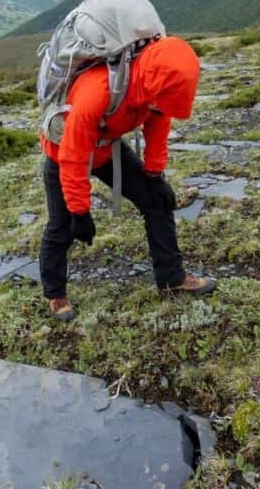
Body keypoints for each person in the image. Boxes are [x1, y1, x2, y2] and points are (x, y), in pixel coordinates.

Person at [39, 35, 216, 321]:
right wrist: (80, 211)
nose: (160, 109)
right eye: (161, 103)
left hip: (108, 149)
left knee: (157, 202)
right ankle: (55, 294)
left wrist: (155, 174)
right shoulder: (96, 91)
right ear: (150, 82)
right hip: (64, 154)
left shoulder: (157, 90)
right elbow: (73, 155)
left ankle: (172, 277)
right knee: (62, 226)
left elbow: (158, 124)